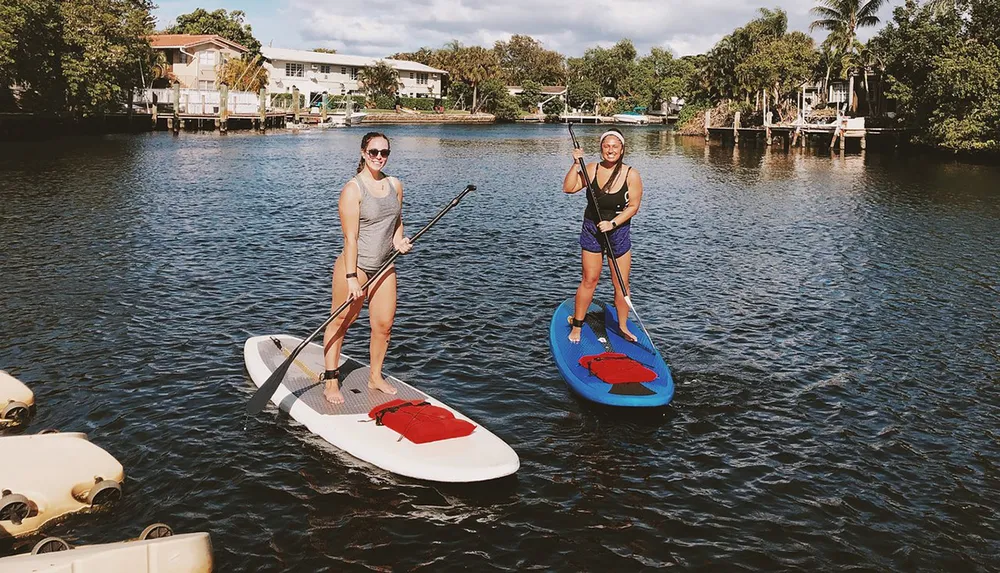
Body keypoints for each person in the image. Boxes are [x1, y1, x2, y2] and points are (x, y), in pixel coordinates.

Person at [321, 132, 412, 404]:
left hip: (384, 266)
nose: (379, 158)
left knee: (384, 326)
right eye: (374, 152)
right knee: (341, 321)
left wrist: (399, 241)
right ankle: (331, 379)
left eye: (384, 153)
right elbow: (350, 238)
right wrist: (351, 278)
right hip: (356, 266)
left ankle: (375, 376)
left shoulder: (395, 184)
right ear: (363, 152)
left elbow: (396, 222)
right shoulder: (353, 189)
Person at [561, 128, 644, 344]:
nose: (610, 150)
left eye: (615, 146)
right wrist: (575, 164)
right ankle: (577, 325)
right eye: (606, 146)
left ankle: (623, 327)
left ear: (622, 149)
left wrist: (613, 223)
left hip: (618, 231)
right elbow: (568, 188)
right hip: (592, 229)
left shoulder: (631, 174)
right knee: (590, 279)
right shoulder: (591, 169)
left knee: (622, 284)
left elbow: (634, 206)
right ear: (601, 148)